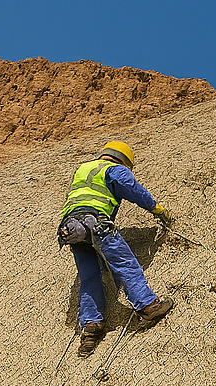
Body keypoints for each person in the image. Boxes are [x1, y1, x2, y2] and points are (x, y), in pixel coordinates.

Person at [57, 141, 176, 356]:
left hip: (70, 228)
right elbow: (133, 190)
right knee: (125, 263)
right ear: (124, 161)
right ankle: (148, 306)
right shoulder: (114, 170)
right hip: (95, 223)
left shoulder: (83, 168)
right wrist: (157, 209)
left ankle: (91, 327)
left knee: (89, 277)